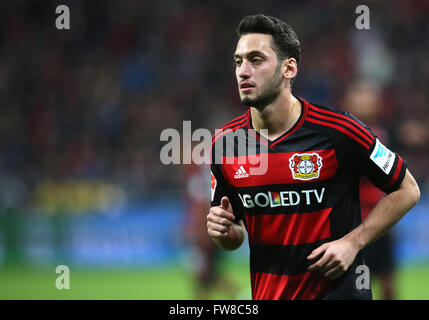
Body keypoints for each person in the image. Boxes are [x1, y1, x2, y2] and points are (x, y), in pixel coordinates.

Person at [206, 14, 420, 300]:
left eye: (256, 60)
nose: (243, 71)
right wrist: (223, 232)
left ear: (288, 68)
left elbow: (408, 189)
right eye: (238, 61)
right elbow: (234, 237)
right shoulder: (226, 144)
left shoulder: (341, 130)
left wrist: (352, 242)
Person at [342, 81, 397, 299]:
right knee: (360, 288)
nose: (367, 102)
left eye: (370, 97)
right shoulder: (343, 136)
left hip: (382, 220)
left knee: (388, 285)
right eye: (361, 97)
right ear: (349, 104)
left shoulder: (383, 132)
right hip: (356, 224)